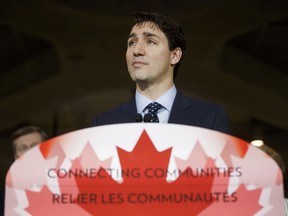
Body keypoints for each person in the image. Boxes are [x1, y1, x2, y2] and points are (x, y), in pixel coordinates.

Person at [92, 12, 230, 134]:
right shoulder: (103, 124)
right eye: (132, 42)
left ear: (175, 55)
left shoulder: (210, 118)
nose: (137, 50)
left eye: (150, 41)